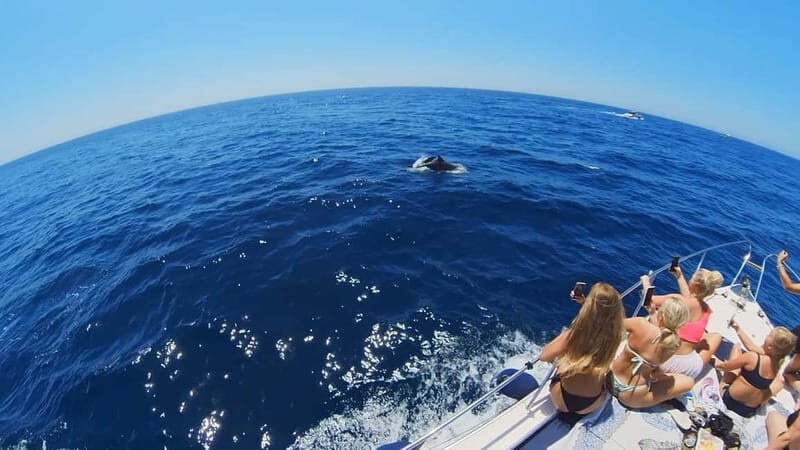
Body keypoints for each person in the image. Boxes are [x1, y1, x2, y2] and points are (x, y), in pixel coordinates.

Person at [539, 282, 625, 424]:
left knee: (565, 361)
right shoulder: (616, 336)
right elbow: (604, 323)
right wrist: (584, 302)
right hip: (592, 403)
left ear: (590, 308)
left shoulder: (575, 335)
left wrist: (567, 334)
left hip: (562, 400)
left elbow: (543, 356)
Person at [608, 297, 694, 408]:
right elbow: (655, 371)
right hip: (631, 395)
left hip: (609, 379)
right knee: (688, 381)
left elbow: (613, 324)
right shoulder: (674, 344)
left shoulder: (640, 324)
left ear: (661, 315)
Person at [643, 266, 724, 378]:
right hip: (690, 366)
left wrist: (646, 281)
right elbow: (690, 298)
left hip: (665, 360)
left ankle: (657, 373)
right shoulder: (706, 310)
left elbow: (649, 299)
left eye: (691, 278)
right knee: (715, 336)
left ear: (694, 285)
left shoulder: (678, 300)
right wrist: (679, 276)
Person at [716, 324, 796, 418]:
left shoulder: (752, 357)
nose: (767, 335)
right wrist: (738, 329)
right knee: (778, 382)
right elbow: (751, 346)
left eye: (769, 335)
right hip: (748, 411)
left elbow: (724, 367)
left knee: (736, 349)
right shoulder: (777, 364)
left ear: (770, 346)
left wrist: (714, 361)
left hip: (730, 400)